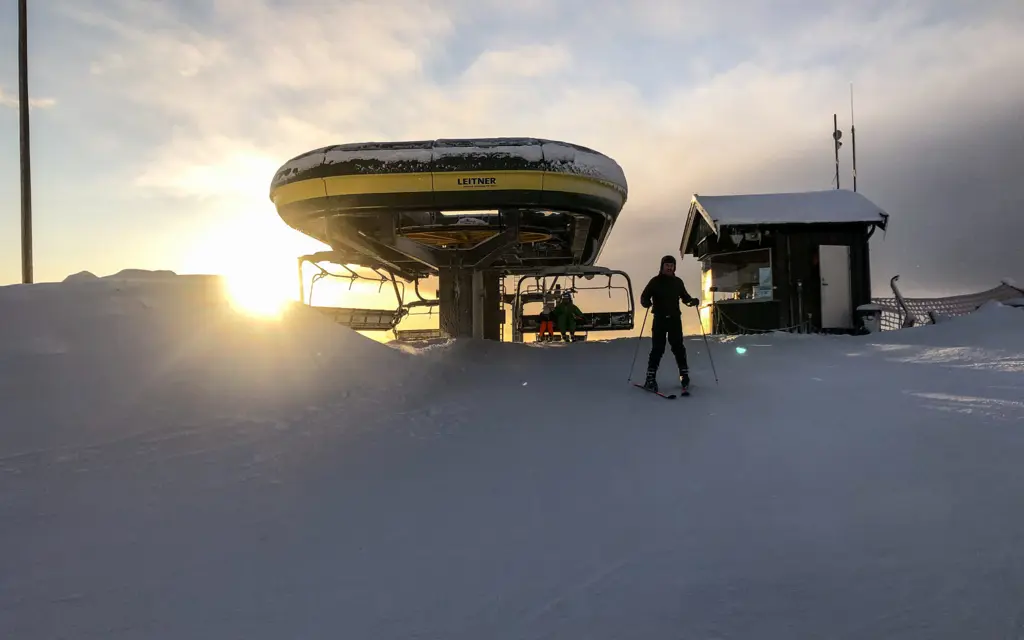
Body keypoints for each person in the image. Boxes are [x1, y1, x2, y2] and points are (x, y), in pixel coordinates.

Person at [639, 255, 699, 392]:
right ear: (662, 267)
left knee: (678, 347)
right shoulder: (655, 281)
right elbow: (644, 296)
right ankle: (650, 378)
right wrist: (645, 303)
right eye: (667, 265)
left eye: (671, 265)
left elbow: (685, 298)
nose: (669, 267)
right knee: (658, 348)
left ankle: (684, 375)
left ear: (674, 267)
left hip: (674, 319)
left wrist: (692, 302)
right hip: (660, 318)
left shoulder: (677, 282)